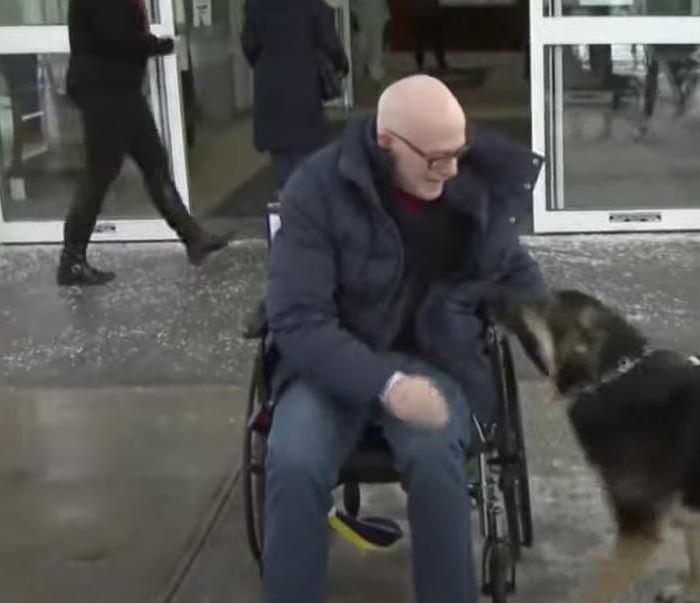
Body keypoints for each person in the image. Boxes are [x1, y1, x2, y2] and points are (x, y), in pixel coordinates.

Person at [262, 75, 546, 603]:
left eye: (458, 152)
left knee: (439, 462)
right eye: (435, 158)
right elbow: (298, 320)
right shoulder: (316, 190)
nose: (451, 169)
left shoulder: (471, 188)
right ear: (386, 140)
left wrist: (561, 352)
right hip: (331, 364)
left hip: (437, 360)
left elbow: (520, 279)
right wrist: (387, 385)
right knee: (293, 458)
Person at [62, 0, 231, 287]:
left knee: (154, 162)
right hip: (104, 94)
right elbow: (114, 37)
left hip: (122, 92)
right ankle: (72, 260)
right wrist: (158, 45)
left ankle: (194, 238)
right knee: (101, 172)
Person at [241, 0, 350, 194]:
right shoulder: (311, 4)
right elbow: (329, 43)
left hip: (271, 86)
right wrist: (340, 64)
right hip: (304, 84)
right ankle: (306, 210)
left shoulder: (255, 4)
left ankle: (286, 206)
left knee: (281, 160)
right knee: (309, 159)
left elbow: (250, 45)